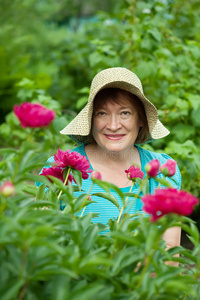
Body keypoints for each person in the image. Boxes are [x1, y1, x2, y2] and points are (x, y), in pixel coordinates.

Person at [38, 67, 181, 262]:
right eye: (102, 113)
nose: (113, 126)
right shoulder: (61, 168)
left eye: (125, 113)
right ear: (91, 120)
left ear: (140, 120)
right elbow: (42, 240)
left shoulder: (163, 171)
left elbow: (171, 254)